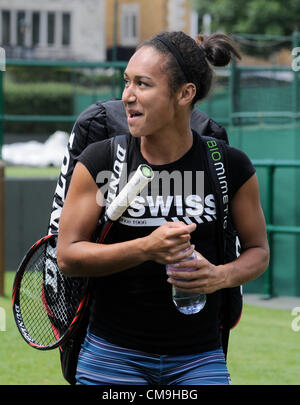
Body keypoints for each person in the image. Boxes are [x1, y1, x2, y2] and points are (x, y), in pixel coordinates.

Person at [57, 31, 269, 385]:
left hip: (200, 359)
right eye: (126, 82)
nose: (127, 96)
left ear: (185, 93)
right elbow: (68, 256)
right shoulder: (102, 159)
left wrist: (220, 276)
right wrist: (146, 248)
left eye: (143, 84)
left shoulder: (228, 165)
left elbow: (258, 251)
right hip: (112, 356)